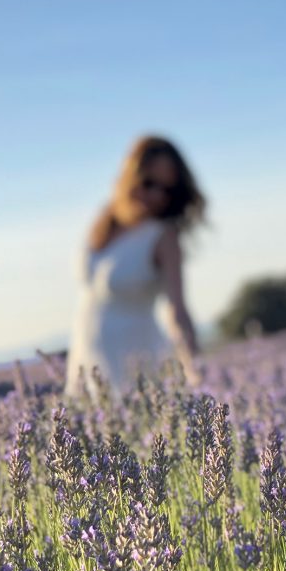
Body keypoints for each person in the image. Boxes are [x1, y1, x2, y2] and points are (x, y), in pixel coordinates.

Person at [64, 135, 205, 397]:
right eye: (149, 183)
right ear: (130, 175)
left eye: (168, 190)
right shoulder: (105, 222)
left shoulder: (164, 235)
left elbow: (177, 311)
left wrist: (196, 371)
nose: (157, 195)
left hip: (137, 369)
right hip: (86, 361)